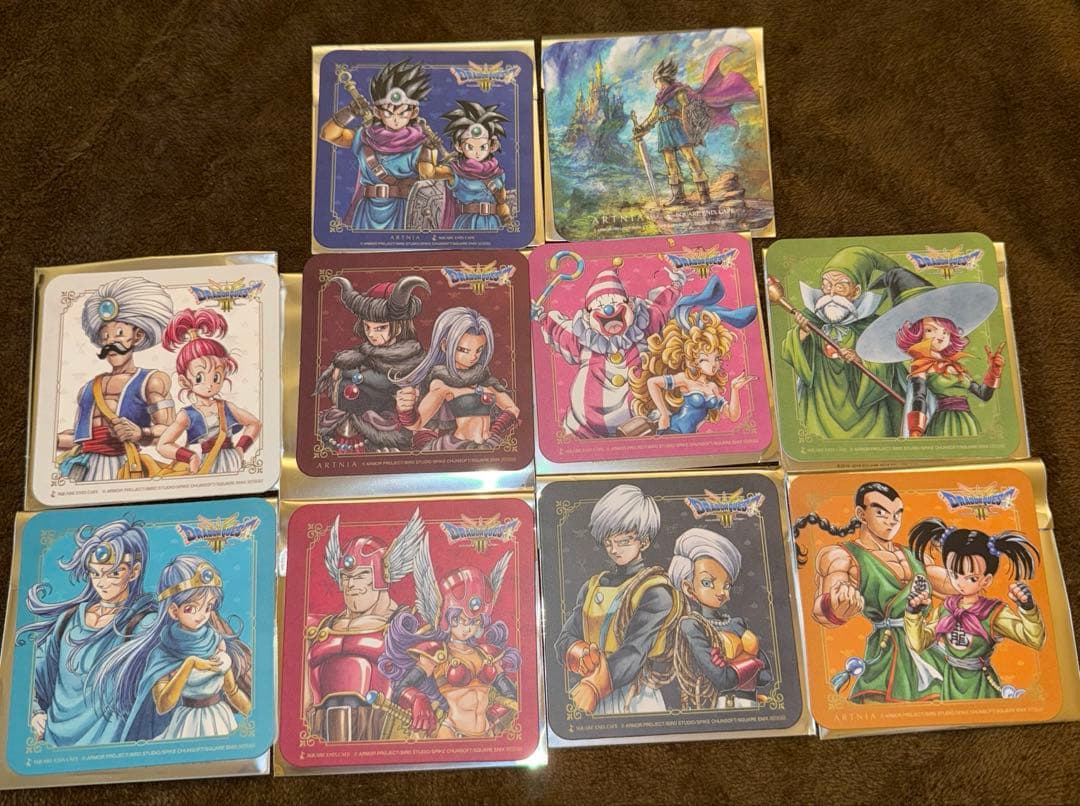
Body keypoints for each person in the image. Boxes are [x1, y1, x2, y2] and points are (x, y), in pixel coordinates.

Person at [792, 481, 952, 702]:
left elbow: (958, 587)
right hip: (886, 653)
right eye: (881, 512)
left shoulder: (918, 557)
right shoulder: (841, 556)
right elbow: (823, 607)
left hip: (927, 648)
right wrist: (837, 606)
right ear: (861, 514)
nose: (892, 520)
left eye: (897, 514)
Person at [18, 520, 155, 746]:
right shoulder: (68, 619)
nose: (103, 583)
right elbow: (35, 672)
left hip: (110, 745)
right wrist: (34, 713)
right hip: (55, 739)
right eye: (96, 573)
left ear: (134, 571)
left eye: (114, 573)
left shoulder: (145, 624)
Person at [90, 555, 252, 740]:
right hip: (187, 723)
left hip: (220, 718)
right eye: (191, 608)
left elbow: (232, 691)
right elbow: (163, 705)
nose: (202, 615)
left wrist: (255, 718)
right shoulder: (163, 652)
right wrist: (189, 665)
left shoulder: (216, 643)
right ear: (174, 611)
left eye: (208, 607)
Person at [553, 484, 681, 714]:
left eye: (624, 541)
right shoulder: (593, 586)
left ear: (644, 541)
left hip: (634, 695)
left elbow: (635, 651)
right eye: (608, 541)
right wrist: (582, 654)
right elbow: (565, 638)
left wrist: (595, 685)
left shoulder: (655, 591)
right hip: (590, 687)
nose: (614, 549)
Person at [380, 540, 520, 739]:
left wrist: (495, 718)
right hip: (451, 732)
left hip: (486, 732)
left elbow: (511, 696)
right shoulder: (438, 653)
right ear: (448, 618)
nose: (467, 627)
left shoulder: (486, 655)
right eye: (460, 620)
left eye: (473, 622)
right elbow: (400, 689)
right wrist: (418, 699)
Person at [305, 511, 426, 742]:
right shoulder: (320, 625)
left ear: (382, 575)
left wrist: (417, 699)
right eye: (346, 577)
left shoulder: (405, 624)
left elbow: (420, 676)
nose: (351, 585)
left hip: (378, 725)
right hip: (320, 726)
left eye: (360, 575)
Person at [853, 267, 1004, 438]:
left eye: (945, 331)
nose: (941, 336)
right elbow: (919, 399)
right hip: (944, 424)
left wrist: (994, 371)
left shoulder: (956, 366)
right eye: (931, 330)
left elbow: (983, 395)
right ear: (916, 334)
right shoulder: (921, 366)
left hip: (968, 423)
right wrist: (916, 430)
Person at [905, 519, 1044, 700]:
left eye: (971, 578)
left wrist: (1027, 608)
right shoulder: (947, 608)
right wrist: (913, 613)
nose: (960, 583)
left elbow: (1034, 640)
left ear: (986, 580)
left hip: (981, 685)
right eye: (954, 574)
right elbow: (918, 643)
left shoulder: (993, 613)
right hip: (951, 682)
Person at [778, 247, 907, 440]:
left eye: (840, 287)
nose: (831, 293)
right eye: (826, 285)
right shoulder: (811, 320)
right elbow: (789, 352)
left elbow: (887, 365)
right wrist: (802, 333)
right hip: (820, 408)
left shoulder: (873, 326)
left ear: (856, 291)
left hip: (868, 415)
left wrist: (860, 360)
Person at [56, 277, 175, 480]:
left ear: (137, 336)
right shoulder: (87, 389)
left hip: (126, 467)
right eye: (105, 337)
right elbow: (80, 438)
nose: (110, 342)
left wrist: (142, 433)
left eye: (119, 333)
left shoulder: (152, 381)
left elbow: (172, 430)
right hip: (84, 469)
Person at [319, 60, 440, 230]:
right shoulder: (365, 136)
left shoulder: (422, 144)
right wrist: (350, 111)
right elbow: (327, 134)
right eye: (389, 113)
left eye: (402, 113)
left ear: (414, 112)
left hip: (404, 211)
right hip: (368, 211)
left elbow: (427, 176)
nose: (396, 119)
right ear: (377, 112)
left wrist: (428, 149)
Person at [314, 275, 429, 453]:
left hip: (382, 441)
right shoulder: (353, 357)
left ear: (398, 327)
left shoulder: (414, 365)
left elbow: (421, 416)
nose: (371, 334)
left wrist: (406, 408)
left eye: (380, 328)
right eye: (367, 327)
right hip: (339, 431)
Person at [629, 277, 757, 434]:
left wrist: (735, 389)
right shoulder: (685, 379)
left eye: (716, 358)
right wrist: (664, 414)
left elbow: (732, 415)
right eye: (705, 359)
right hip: (671, 431)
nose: (713, 364)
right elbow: (652, 382)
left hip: (689, 438)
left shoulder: (712, 387)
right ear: (692, 360)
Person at [631, 48, 758, 206]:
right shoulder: (659, 99)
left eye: (656, 81)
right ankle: (678, 196)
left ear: (662, 79)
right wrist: (642, 127)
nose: (655, 84)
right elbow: (653, 117)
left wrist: (682, 119)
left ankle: (704, 194)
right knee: (670, 163)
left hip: (679, 128)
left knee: (690, 158)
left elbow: (689, 111)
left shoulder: (679, 93)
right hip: (664, 130)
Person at [668, 528, 773, 710]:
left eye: (726, 585)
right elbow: (722, 680)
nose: (720, 592)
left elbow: (766, 676)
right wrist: (752, 663)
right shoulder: (692, 625)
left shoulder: (737, 623)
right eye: (707, 583)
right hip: (719, 706)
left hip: (751, 703)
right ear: (689, 588)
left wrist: (733, 666)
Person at [395, 306, 519, 450]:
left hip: (487, 444)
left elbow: (512, 408)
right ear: (445, 345)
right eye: (464, 350)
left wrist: (494, 432)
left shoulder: (483, 378)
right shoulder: (442, 383)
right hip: (461, 446)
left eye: (479, 350)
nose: (473, 357)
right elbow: (417, 424)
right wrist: (405, 410)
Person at [156, 309, 261, 474]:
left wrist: (241, 448)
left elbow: (255, 423)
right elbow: (163, 445)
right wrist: (190, 457)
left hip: (231, 460)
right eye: (199, 377)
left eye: (216, 377)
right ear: (184, 381)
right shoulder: (187, 414)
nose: (209, 385)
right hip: (204, 464)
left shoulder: (226, 407)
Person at [435, 100, 513, 230]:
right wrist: (428, 149)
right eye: (470, 147)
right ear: (459, 146)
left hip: (493, 224)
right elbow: (429, 173)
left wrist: (506, 218)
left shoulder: (497, 173)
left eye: (483, 147)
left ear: (492, 146)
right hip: (467, 224)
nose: (477, 152)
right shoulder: (455, 171)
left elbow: (502, 203)